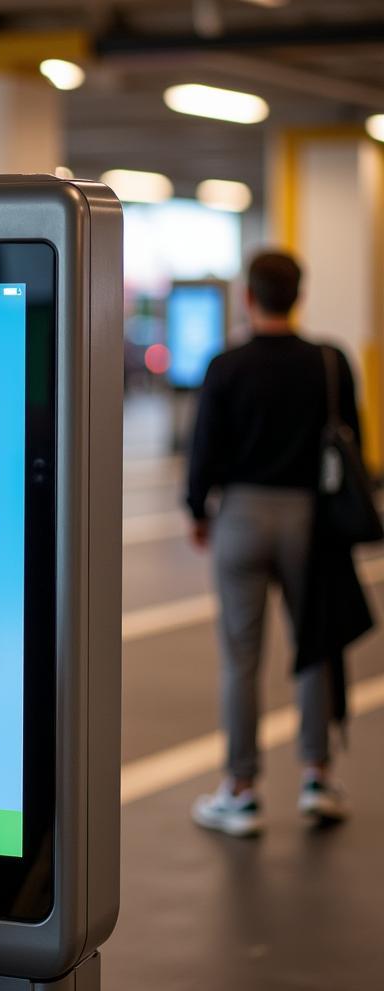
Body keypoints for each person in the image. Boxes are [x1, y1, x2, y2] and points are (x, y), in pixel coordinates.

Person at [186, 251, 363, 838]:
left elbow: (203, 445)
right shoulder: (329, 361)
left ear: (248, 298)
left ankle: (241, 790)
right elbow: (352, 442)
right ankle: (316, 779)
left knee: (241, 658)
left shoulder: (226, 365)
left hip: (239, 513)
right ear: (300, 295)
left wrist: (197, 511)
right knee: (313, 644)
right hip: (308, 519)